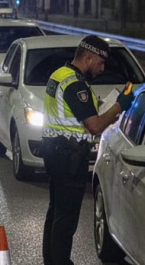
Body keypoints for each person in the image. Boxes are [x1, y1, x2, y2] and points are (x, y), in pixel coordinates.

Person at [41, 35, 134, 265]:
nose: (102, 69)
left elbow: (77, 115)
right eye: (100, 63)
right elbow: (94, 125)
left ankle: (51, 260)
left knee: (56, 212)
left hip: (55, 152)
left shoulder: (59, 74)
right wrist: (120, 105)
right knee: (66, 219)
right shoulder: (75, 84)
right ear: (88, 57)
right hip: (69, 156)